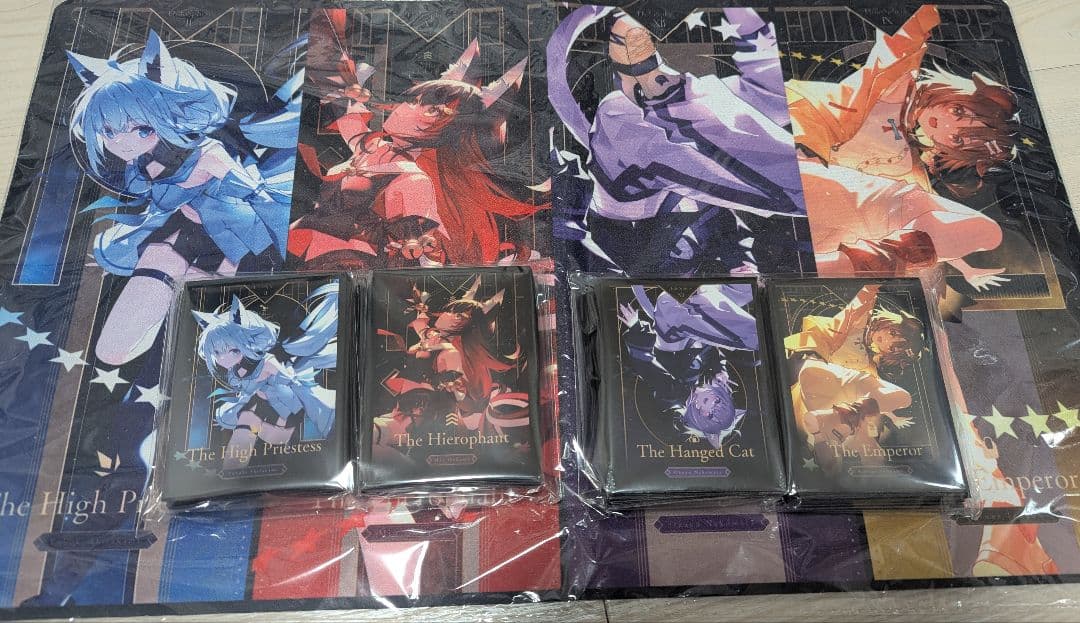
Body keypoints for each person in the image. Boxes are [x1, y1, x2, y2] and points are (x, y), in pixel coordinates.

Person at [67, 31, 300, 366]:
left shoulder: (209, 154)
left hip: (235, 243)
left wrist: (250, 256)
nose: (122, 143)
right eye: (109, 132)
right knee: (112, 351)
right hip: (176, 238)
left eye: (141, 129)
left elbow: (254, 198)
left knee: (218, 337)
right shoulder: (140, 164)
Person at [547, 6, 807, 276]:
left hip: (660, 218)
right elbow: (771, 100)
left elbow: (770, 96)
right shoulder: (635, 124)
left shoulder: (676, 107)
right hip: (649, 228)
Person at [788, 5, 1015, 290]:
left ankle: (829, 266)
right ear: (955, 93)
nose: (945, 124)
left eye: (957, 139)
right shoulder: (895, 90)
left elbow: (933, 229)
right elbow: (902, 42)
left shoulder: (908, 165)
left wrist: (965, 269)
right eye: (957, 111)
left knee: (987, 232)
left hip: (833, 228)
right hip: (796, 165)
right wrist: (923, 14)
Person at [193, 285, 339, 468]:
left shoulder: (269, 361)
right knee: (247, 422)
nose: (223, 359)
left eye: (233, 350)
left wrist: (278, 379)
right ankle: (231, 475)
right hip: (261, 405)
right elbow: (246, 392)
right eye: (216, 353)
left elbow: (291, 380)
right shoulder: (239, 371)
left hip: (286, 404)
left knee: (271, 433)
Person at [784, 285, 923, 473]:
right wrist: (872, 286)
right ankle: (843, 430)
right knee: (900, 397)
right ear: (888, 322)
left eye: (892, 348)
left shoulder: (867, 363)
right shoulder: (858, 324)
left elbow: (877, 398)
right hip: (816, 370)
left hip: (822, 394)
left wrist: (891, 416)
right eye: (892, 333)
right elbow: (860, 303)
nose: (886, 341)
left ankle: (827, 434)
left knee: (899, 399)